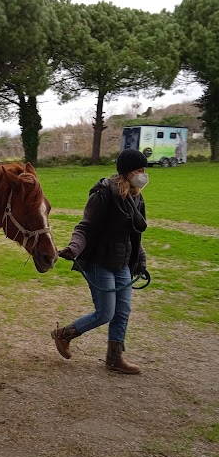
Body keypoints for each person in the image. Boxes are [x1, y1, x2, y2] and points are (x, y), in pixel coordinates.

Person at [51, 148, 149, 374]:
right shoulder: (103, 194)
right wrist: (74, 248)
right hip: (99, 262)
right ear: (126, 171)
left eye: (145, 169)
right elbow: (84, 227)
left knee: (122, 311)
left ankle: (114, 358)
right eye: (139, 169)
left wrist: (140, 260)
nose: (144, 173)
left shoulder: (136, 196)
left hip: (122, 263)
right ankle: (63, 334)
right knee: (105, 313)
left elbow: (135, 234)